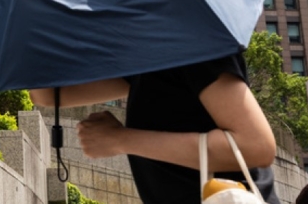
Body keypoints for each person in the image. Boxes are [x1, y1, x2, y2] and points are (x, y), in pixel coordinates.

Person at [29, 54, 279, 204]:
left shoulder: (197, 46)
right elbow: (46, 95)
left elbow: (255, 147)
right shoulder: (151, 59)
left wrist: (120, 140)